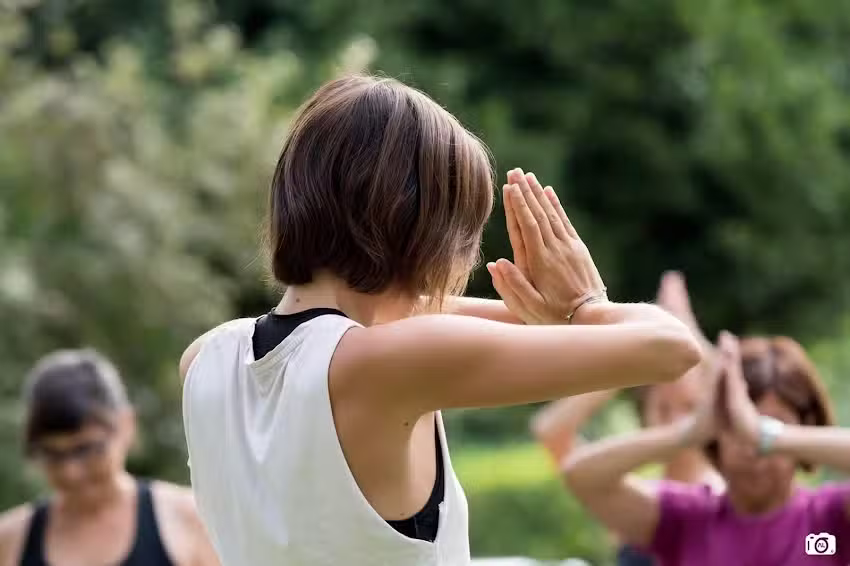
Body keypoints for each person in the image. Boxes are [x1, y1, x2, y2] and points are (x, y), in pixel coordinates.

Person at [179, 74, 701, 566]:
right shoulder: (391, 361)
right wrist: (589, 302)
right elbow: (672, 348)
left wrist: (559, 317)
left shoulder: (206, 358)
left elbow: (350, 328)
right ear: (422, 227)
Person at [562, 332, 850, 566]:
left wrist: (761, 433)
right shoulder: (687, 520)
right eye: (736, 430)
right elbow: (582, 475)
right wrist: (689, 432)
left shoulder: (830, 519)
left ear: (805, 425)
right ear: (715, 436)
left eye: (776, 424)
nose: (754, 451)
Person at [532, 271, 723, 566]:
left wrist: (689, 340)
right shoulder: (628, 495)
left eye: (689, 406)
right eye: (663, 408)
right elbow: (551, 430)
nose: (675, 420)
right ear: (645, 413)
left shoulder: (729, 495)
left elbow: (737, 388)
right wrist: (632, 362)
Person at [0, 349, 220, 566]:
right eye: (52, 455)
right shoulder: (10, 540)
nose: (70, 471)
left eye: (85, 449)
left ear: (126, 426)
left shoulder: (189, 520)